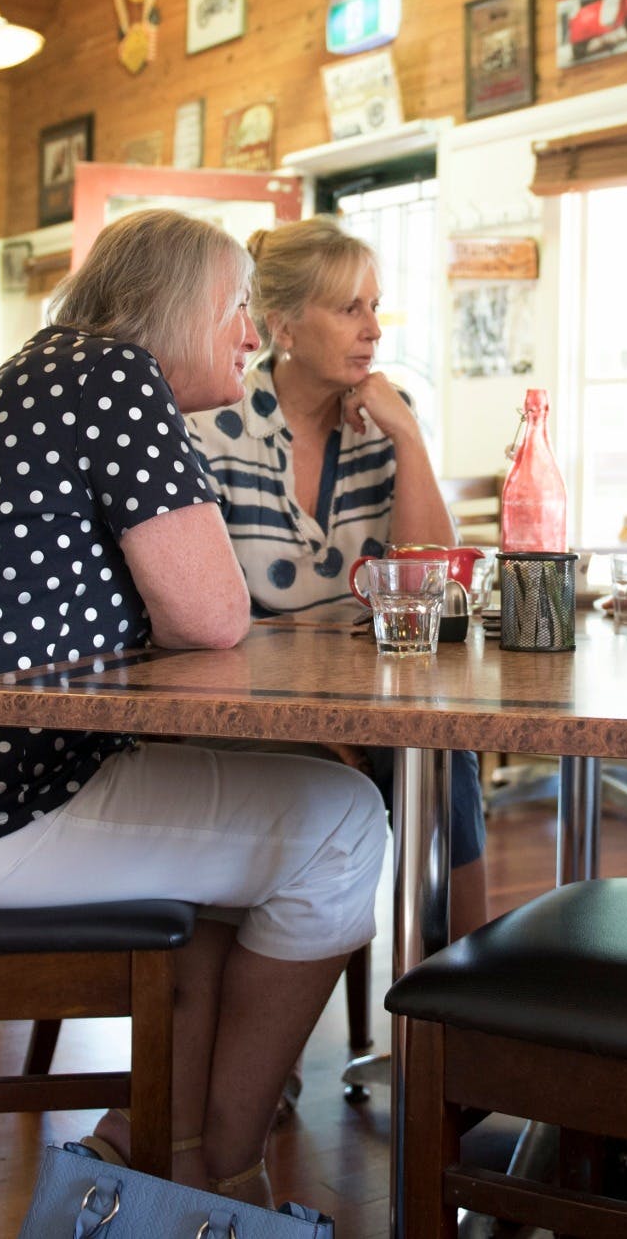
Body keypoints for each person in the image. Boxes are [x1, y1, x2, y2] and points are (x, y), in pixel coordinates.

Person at [0, 208, 386, 1208]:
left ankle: (160, 1141)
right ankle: (226, 1165)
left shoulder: (41, 374)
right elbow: (214, 614)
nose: (249, 337)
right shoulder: (114, 380)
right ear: (173, 309)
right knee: (344, 823)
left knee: (275, 817)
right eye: (234, 311)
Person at [188, 219, 493, 940]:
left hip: (367, 693)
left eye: (376, 306)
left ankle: (465, 996)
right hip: (241, 697)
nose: (374, 330)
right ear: (284, 326)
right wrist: (314, 724)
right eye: (350, 308)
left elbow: (430, 583)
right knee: (360, 766)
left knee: (446, 755)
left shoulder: (385, 419)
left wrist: (409, 438)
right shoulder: (214, 427)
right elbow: (202, 618)